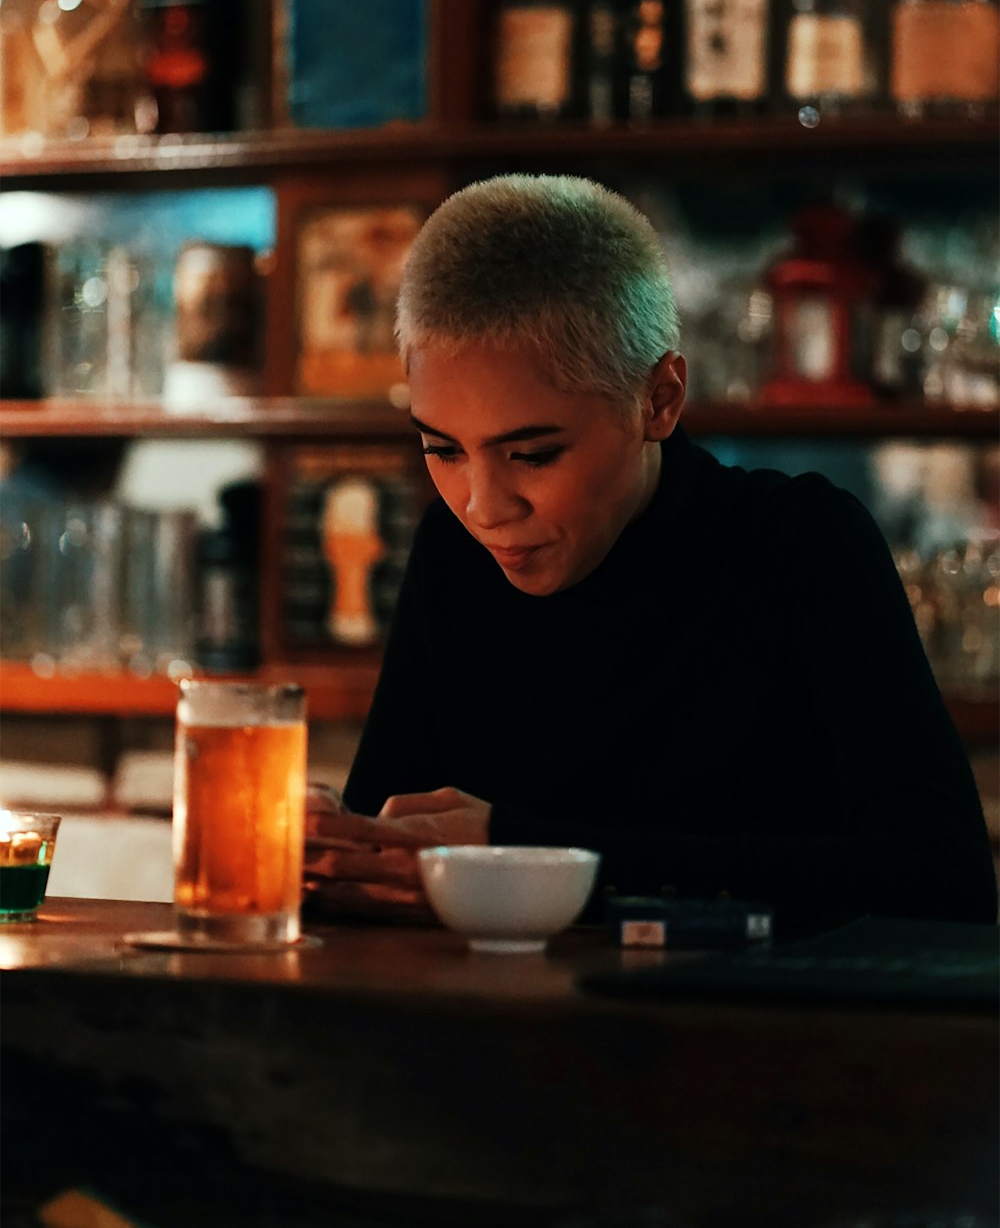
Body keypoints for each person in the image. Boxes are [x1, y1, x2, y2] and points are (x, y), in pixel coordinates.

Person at [304, 174, 997, 937]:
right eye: (443, 449)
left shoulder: (800, 545)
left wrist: (527, 858)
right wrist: (334, 847)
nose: (483, 506)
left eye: (532, 454)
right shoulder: (452, 553)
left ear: (659, 400)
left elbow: (947, 884)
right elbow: (384, 853)